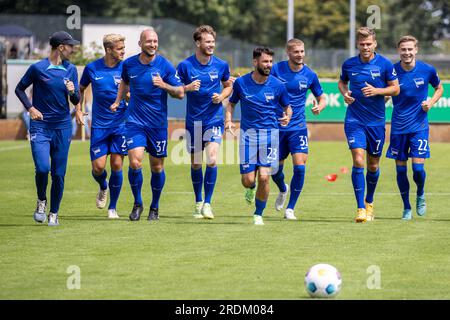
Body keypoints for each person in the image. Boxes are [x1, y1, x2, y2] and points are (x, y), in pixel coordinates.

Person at [111, 28, 184, 221]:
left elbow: (180, 93)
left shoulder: (165, 66)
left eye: (155, 41)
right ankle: (137, 203)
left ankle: (155, 207)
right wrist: (119, 101)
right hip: (134, 122)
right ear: (140, 43)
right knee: (135, 162)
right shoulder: (128, 65)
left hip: (158, 124)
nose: (152, 44)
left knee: (157, 168)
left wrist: (164, 85)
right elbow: (124, 83)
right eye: (149, 41)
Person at [15, 31, 81, 226]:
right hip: (40, 126)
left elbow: (76, 100)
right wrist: (30, 108)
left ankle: (54, 212)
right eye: (70, 46)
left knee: (59, 173)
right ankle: (41, 200)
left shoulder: (71, 70)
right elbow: (19, 88)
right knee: (43, 168)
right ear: (61, 47)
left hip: (62, 127)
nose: (73, 49)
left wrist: (72, 92)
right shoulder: (38, 68)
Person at [338, 27, 400, 223]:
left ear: (375, 44)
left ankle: (369, 202)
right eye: (362, 44)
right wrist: (345, 93)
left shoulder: (384, 64)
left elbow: (395, 89)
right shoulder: (349, 64)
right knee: (358, 160)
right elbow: (342, 82)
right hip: (354, 120)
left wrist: (378, 91)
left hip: (376, 123)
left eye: (368, 44)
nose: (365, 47)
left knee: (373, 165)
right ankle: (360, 209)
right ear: (357, 44)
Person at [225, 47, 292, 225]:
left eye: (270, 61)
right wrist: (228, 120)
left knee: (264, 176)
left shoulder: (278, 85)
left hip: (270, 136)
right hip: (248, 137)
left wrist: (287, 117)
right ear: (255, 62)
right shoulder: (241, 83)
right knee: (248, 180)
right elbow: (231, 104)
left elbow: (288, 107)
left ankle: (258, 214)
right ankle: (251, 188)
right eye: (265, 61)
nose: (269, 65)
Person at [177, 25, 233, 219]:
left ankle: (208, 203)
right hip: (194, 121)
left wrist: (222, 96)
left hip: (214, 119)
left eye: (212, 42)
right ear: (198, 42)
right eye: (207, 41)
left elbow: (228, 86)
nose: (211, 45)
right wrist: (187, 87)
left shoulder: (221, 65)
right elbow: (176, 91)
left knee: (212, 159)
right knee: (195, 164)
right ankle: (198, 201)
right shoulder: (185, 66)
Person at [386, 35, 443, 220]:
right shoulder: (391, 71)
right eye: (404, 49)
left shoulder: (427, 70)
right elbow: (386, 92)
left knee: (417, 170)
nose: (407, 52)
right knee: (401, 171)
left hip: (419, 126)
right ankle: (406, 208)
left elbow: (439, 88)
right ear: (399, 51)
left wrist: (431, 102)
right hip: (398, 128)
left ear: (416, 50)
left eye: (410, 49)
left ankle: (420, 193)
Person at [270, 38, 326, 220]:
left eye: (302, 51)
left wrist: (320, 106)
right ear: (288, 53)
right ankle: (283, 188)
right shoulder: (276, 69)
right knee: (274, 170)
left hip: (298, 127)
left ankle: (290, 209)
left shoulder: (310, 74)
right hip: (276, 126)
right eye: (296, 52)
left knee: (300, 167)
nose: (300, 55)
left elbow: (322, 97)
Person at [79, 34, 128, 219]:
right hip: (99, 126)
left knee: (117, 164)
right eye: (119, 48)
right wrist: (78, 108)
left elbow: (134, 89)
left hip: (120, 125)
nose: (123, 50)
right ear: (108, 49)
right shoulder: (92, 68)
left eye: (124, 47)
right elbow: (81, 89)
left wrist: (129, 97)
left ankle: (113, 208)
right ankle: (103, 186)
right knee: (98, 168)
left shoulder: (127, 67)